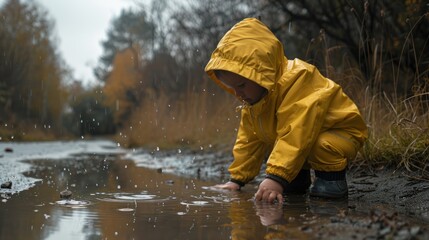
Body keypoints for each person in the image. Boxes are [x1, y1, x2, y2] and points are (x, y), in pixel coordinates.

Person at [204, 18, 368, 203]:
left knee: (319, 144)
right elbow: (249, 141)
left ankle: (331, 180)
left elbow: (297, 131)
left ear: (260, 74)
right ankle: (296, 180)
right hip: (304, 137)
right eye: (232, 88)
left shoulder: (298, 79)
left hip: (341, 132)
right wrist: (237, 180)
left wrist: (275, 177)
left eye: (241, 85)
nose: (238, 94)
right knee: (277, 144)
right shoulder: (254, 102)